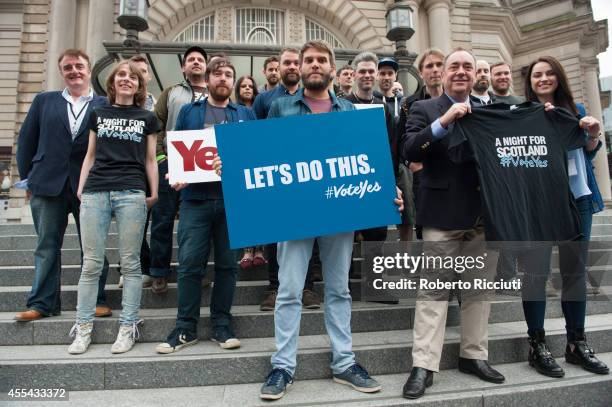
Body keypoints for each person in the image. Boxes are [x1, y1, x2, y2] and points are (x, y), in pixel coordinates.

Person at [215, 40, 403, 401]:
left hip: (340, 211)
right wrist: (234, 166)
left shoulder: (350, 109)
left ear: (333, 68)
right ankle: (282, 366)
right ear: (299, 68)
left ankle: (344, 362)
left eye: (322, 60)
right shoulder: (279, 106)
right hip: (292, 212)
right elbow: (261, 157)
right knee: (288, 291)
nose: (315, 65)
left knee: (339, 289)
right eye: (309, 60)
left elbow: (368, 160)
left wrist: (387, 191)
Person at [401, 48, 505, 399]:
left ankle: (473, 356)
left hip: (482, 216)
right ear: (442, 75)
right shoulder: (424, 109)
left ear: (476, 74)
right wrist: (444, 122)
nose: (461, 72)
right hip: (442, 216)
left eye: (467, 67)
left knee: (479, 292)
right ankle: (423, 365)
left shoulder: (492, 112)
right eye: (454, 67)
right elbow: (411, 149)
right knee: (433, 292)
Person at [155, 57, 255, 354]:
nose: (223, 78)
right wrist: (177, 172)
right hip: (194, 200)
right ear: (208, 79)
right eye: (218, 74)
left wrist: (235, 164)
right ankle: (185, 327)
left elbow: (252, 157)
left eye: (228, 74)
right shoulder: (188, 111)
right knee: (188, 266)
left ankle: (221, 324)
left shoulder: (246, 114)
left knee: (227, 266)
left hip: (232, 201)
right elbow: (179, 148)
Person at [521, 55, 608, 376]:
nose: (542, 79)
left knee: (574, 275)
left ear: (558, 77)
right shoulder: (523, 113)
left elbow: (588, 150)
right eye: (536, 75)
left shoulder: (578, 112)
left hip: (578, 199)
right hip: (540, 202)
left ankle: (576, 344)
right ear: (529, 83)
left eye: (548, 74)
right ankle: (537, 345)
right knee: (536, 274)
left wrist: (594, 133)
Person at [67, 60, 159, 354]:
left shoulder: (147, 117)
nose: (126, 79)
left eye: (132, 76)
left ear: (138, 84)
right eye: (121, 74)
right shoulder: (98, 113)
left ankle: (128, 326)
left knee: (130, 264)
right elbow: (90, 154)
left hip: (132, 191)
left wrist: (153, 192)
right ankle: (82, 328)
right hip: (96, 190)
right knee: (91, 264)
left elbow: (149, 159)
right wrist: (81, 187)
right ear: (112, 81)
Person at [15, 49, 112, 322]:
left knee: (93, 246)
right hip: (47, 185)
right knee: (47, 246)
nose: (74, 71)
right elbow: (26, 142)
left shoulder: (105, 104)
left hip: (91, 186)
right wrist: (29, 178)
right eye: (68, 67)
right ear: (62, 72)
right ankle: (42, 303)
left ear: (89, 69)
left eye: (79, 66)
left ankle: (95, 300)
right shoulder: (44, 101)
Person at [252, 48, 321, 311]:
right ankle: (274, 287)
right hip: (276, 177)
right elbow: (257, 137)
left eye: (296, 62)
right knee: (274, 234)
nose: (292, 67)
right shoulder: (265, 100)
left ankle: (308, 288)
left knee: (311, 232)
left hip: (309, 178)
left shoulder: (314, 97)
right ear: (278, 68)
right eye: (287, 63)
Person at [149, 46, 208, 294]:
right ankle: (159, 272)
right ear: (183, 67)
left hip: (204, 168)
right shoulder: (171, 92)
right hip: (171, 164)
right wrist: (161, 155)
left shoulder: (214, 93)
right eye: (190, 60)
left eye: (200, 60)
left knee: (195, 223)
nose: (195, 62)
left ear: (207, 66)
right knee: (163, 218)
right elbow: (156, 124)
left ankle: (194, 270)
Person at [397, 48, 445, 242]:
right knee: (427, 229)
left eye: (439, 65)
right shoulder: (409, 104)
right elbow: (401, 141)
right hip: (424, 176)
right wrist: (411, 164)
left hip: (454, 174)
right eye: (429, 66)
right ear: (421, 72)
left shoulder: (456, 99)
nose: (434, 70)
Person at [234, 74, 267, 269]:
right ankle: (247, 251)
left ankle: (260, 250)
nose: (247, 89)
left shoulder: (258, 111)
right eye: (243, 86)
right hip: (238, 166)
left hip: (258, 164)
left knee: (259, 208)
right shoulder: (232, 110)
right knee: (244, 208)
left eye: (250, 86)